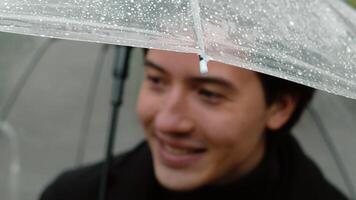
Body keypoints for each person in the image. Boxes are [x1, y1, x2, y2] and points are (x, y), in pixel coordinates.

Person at [40, 49, 347, 200]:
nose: (167, 121)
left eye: (208, 94)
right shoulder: (79, 194)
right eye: (156, 80)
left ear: (280, 106)